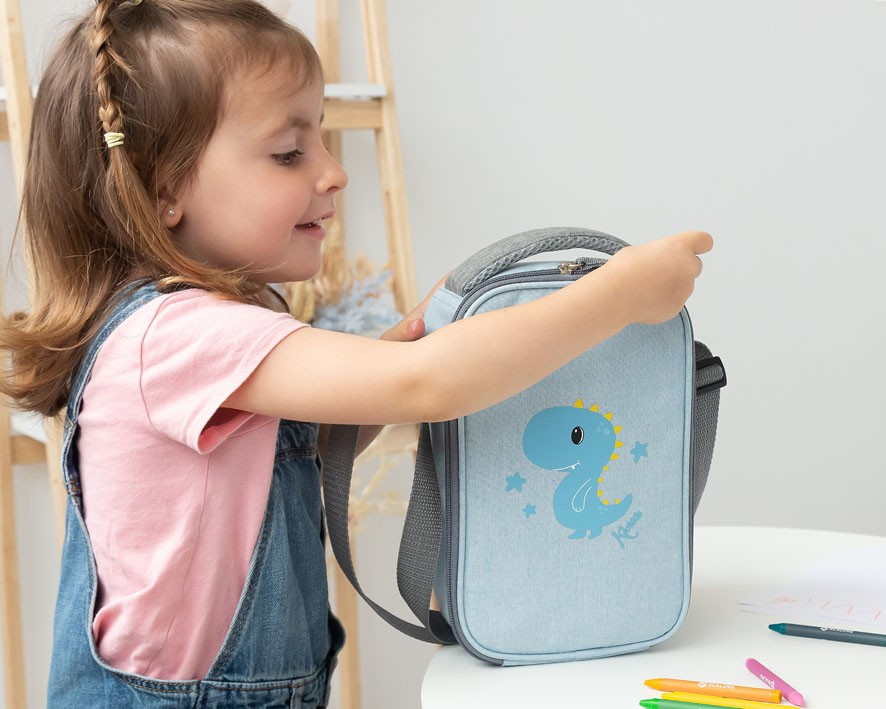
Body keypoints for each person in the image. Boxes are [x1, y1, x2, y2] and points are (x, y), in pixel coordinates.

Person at [0, 0, 712, 706]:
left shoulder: (218, 326)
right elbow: (423, 387)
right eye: (288, 152)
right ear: (163, 191)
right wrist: (620, 296)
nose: (333, 173)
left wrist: (420, 334)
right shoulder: (177, 337)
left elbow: (319, 434)